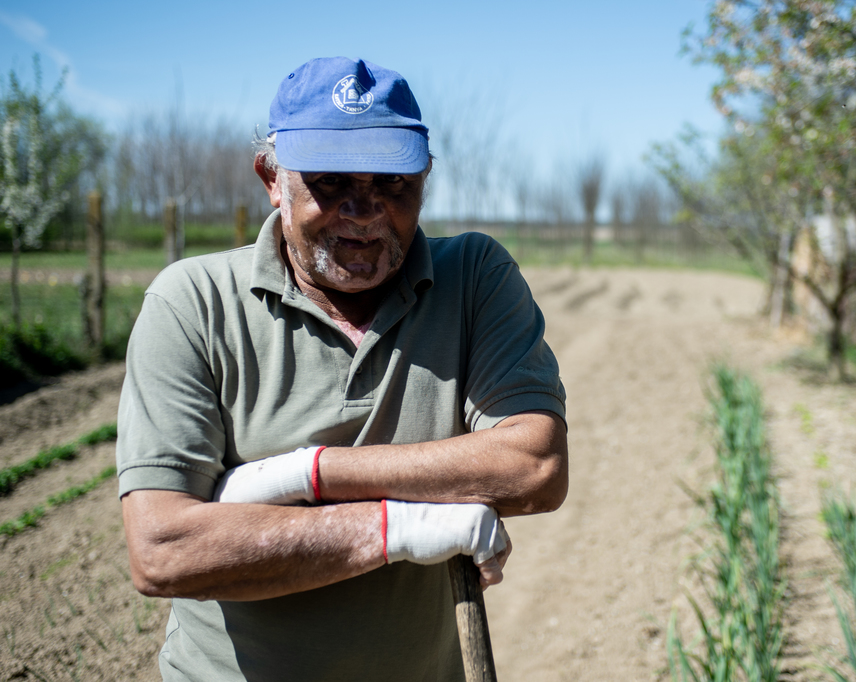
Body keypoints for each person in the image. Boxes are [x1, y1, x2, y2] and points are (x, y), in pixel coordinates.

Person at [116, 56, 568, 682]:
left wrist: (305, 474)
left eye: (394, 183)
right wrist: (399, 526)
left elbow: (532, 466)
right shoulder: (193, 303)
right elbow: (164, 551)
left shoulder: (473, 280)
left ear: (426, 177)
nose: (363, 210)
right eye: (330, 181)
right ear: (272, 179)